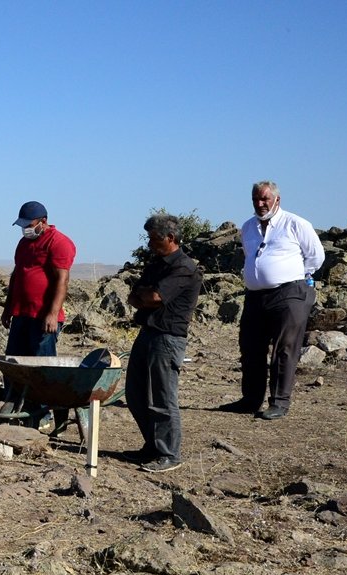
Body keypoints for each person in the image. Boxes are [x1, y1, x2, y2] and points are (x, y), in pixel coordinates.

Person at [221, 181, 325, 420]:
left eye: (265, 199)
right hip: (256, 295)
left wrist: (294, 276)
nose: (260, 204)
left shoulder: (296, 224)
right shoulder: (247, 227)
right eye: (255, 199)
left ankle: (279, 402)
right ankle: (250, 400)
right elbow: (251, 257)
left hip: (289, 293)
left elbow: (316, 257)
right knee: (250, 346)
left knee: (284, 348)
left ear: (277, 199)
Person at [125, 214, 202, 473]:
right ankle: (153, 446)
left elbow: (155, 296)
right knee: (135, 393)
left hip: (168, 337)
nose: (150, 244)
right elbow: (134, 296)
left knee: (162, 397)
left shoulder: (183, 267)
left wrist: (146, 296)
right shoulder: (157, 264)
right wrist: (144, 297)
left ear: (170, 238)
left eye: (154, 238)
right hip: (148, 332)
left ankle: (169, 454)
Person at [0, 201, 77, 425]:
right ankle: (14, 408)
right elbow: (17, 275)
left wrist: (52, 313)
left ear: (43, 222)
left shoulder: (59, 243)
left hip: (43, 318)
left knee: (41, 366)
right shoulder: (24, 243)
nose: (25, 229)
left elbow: (62, 280)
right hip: (21, 313)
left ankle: (42, 414)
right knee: (13, 363)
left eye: (29, 224)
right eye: (22, 225)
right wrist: (8, 307)